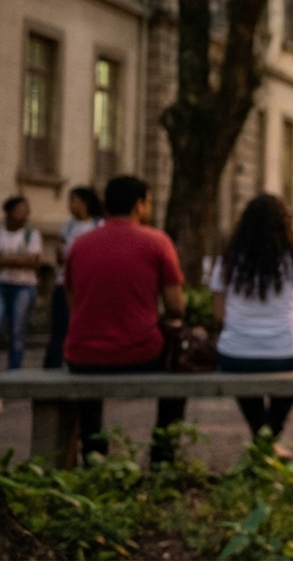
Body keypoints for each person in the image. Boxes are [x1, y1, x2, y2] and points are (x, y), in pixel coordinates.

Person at [65, 176, 186, 465]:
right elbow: (175, 307)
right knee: (179, 375)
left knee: (88, 369)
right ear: (139, 205)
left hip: (83, 354)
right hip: (141, 352)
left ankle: (93, 454)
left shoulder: (79, 244)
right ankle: (162, 456)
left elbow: (73, 304)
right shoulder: (158, 242)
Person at [210, 195, 293, 438]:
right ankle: (268, 437)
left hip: (235, 355)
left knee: (238, 361)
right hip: (290, 354)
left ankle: (262, 437)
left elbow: (218, 315)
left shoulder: (228, 261)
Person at [46, 187, 105, 368]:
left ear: (85, 203)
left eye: (74, 201)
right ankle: (52, 367)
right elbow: (60, 258)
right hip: (64, 283)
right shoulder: (68, 226)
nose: (70, 205)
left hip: (87, 285)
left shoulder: (98, 225)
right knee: (60, 329)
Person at [1, 196, 44, 370]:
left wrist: (7, 260)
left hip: (24, 286)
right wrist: (21, 259)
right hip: (2, 284)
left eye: (25, 211)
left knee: (17, 330)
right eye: (19, 210)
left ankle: (14, 368)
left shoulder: (31, 234)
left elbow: (34, 262)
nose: (23, 214)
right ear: (9, 212)